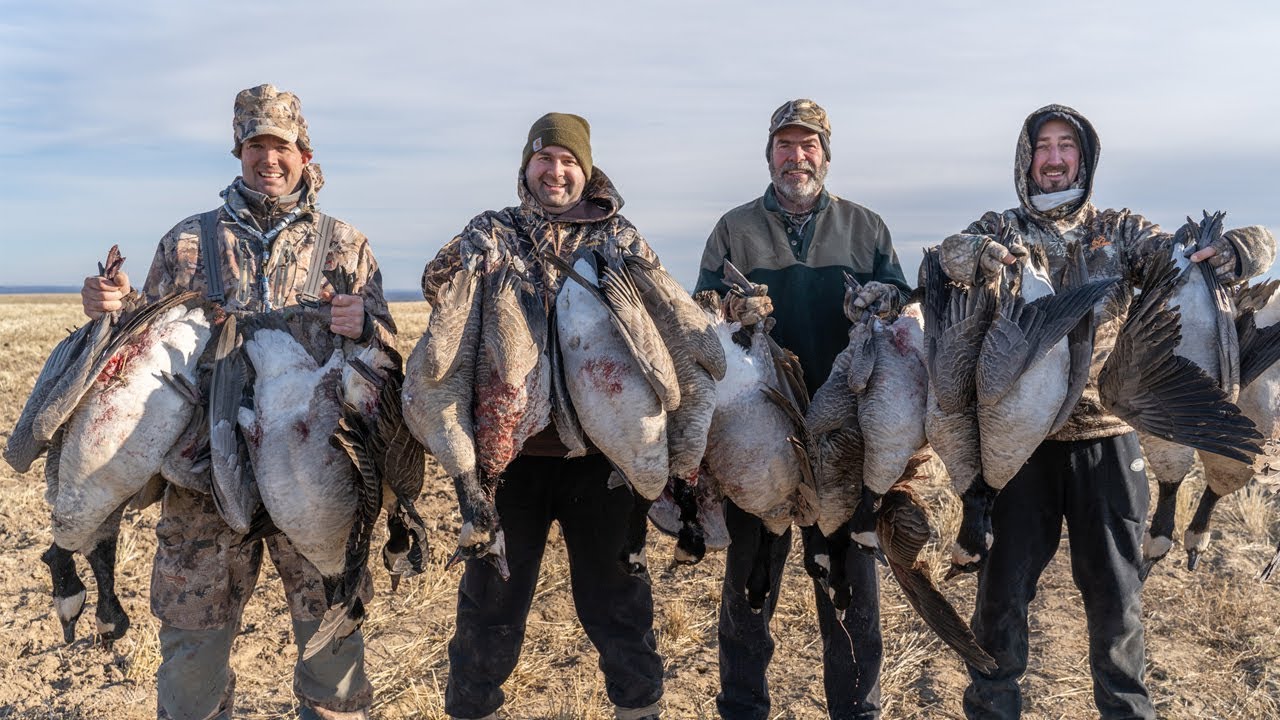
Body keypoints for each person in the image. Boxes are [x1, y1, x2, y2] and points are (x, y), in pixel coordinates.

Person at [939, 103, 1275, 720]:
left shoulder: (1121, 231)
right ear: (1027, 158)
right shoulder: (1000, 229)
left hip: (1108, 437)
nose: (1056, 157)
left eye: (1068, 146)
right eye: (1044, 146)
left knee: (1117, 603)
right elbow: (949, 256)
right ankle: (993, 708)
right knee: (1001, 601)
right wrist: (982, 256)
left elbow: (1193, 255)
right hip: (1020, 446)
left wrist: (1241, 249)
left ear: (1084, 159)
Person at [81, 83, 395, 720]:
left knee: (333, 661)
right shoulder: (185, 243)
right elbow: (148, 343)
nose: (268, 159)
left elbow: (386, 352)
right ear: (238, 151)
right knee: (192, 667)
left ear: (304, 153)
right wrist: (110, 310)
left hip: (317, 479)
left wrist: (366, 325)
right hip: (202, 482)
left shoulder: (346, 244)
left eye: (281, 145)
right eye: (255, 145)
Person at [420, 112, 665, 720]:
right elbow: (434, 283)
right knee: (490, 606)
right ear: (526, 167)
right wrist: (466, 268)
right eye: (544, 159)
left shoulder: (619, 238)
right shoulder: (492, 231)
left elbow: (661, 312)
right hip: (511, 464)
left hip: (601, 463)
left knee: (618, 602)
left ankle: (639, 709)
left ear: (586, 171)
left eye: (568, 162)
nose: (555, 172)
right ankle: (472, 708)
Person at [695, 98, 911, 720]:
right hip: (758, 432)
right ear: (769, 155)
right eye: (785, 145)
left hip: (841, 429)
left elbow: (895, 310)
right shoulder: (733, 229)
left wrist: (882, 300)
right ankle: (742, 707)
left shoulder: (865, 228)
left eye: (808, 144)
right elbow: (700, 316)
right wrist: (731, 311)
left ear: (825, 153)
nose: (797, 156)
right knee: (748, 586)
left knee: (850, 590)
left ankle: (856, 710)